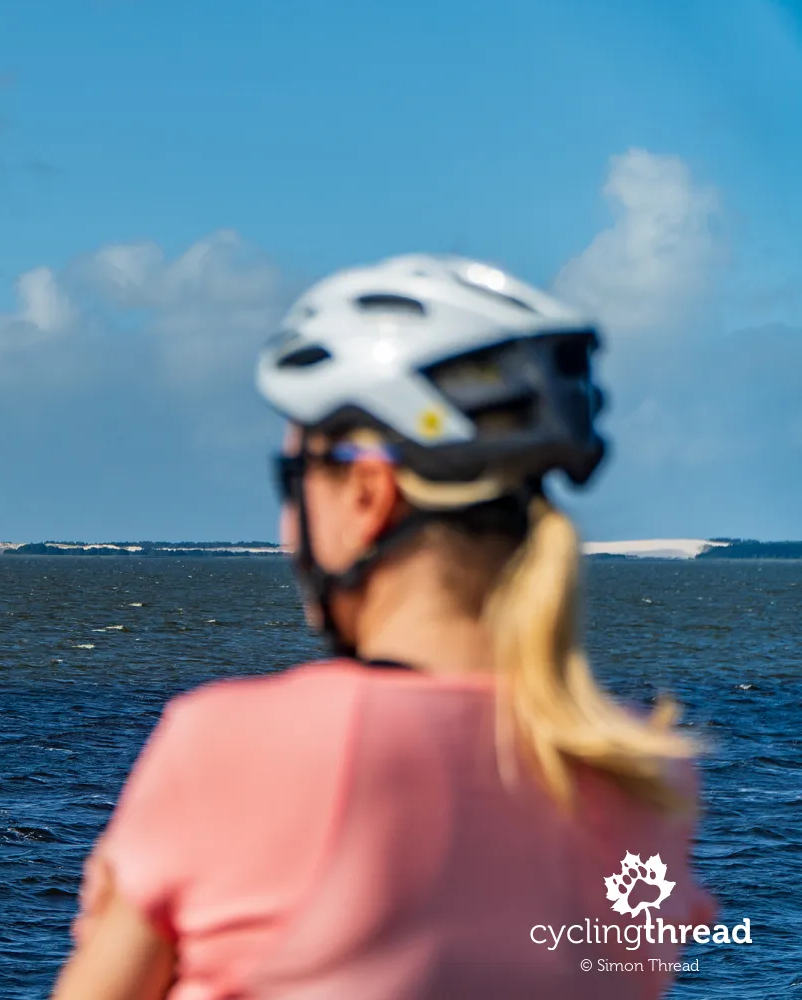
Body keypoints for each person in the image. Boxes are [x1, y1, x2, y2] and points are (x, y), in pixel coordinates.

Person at [51, 255, 713, 1000]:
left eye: (294, 480)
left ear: (368, 493)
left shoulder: (231, 744)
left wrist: (106, 929)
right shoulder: (649, 778)